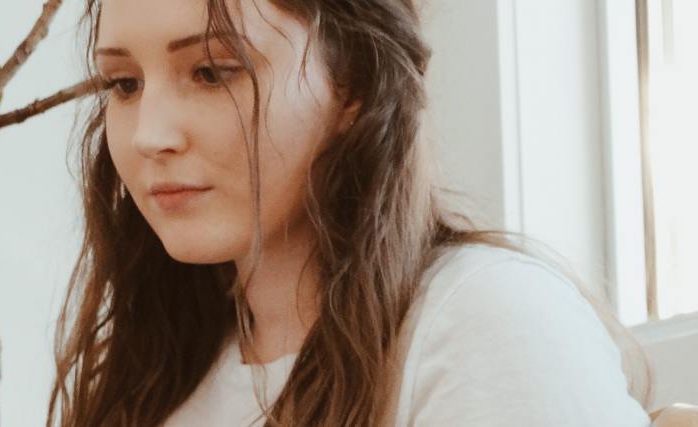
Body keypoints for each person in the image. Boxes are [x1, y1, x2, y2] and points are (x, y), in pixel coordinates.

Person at [45, 0, 655, 425]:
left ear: (354, 84)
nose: (150, 134)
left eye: (211, 72)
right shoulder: (153, 375)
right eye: (124, 84)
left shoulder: (486, 323)